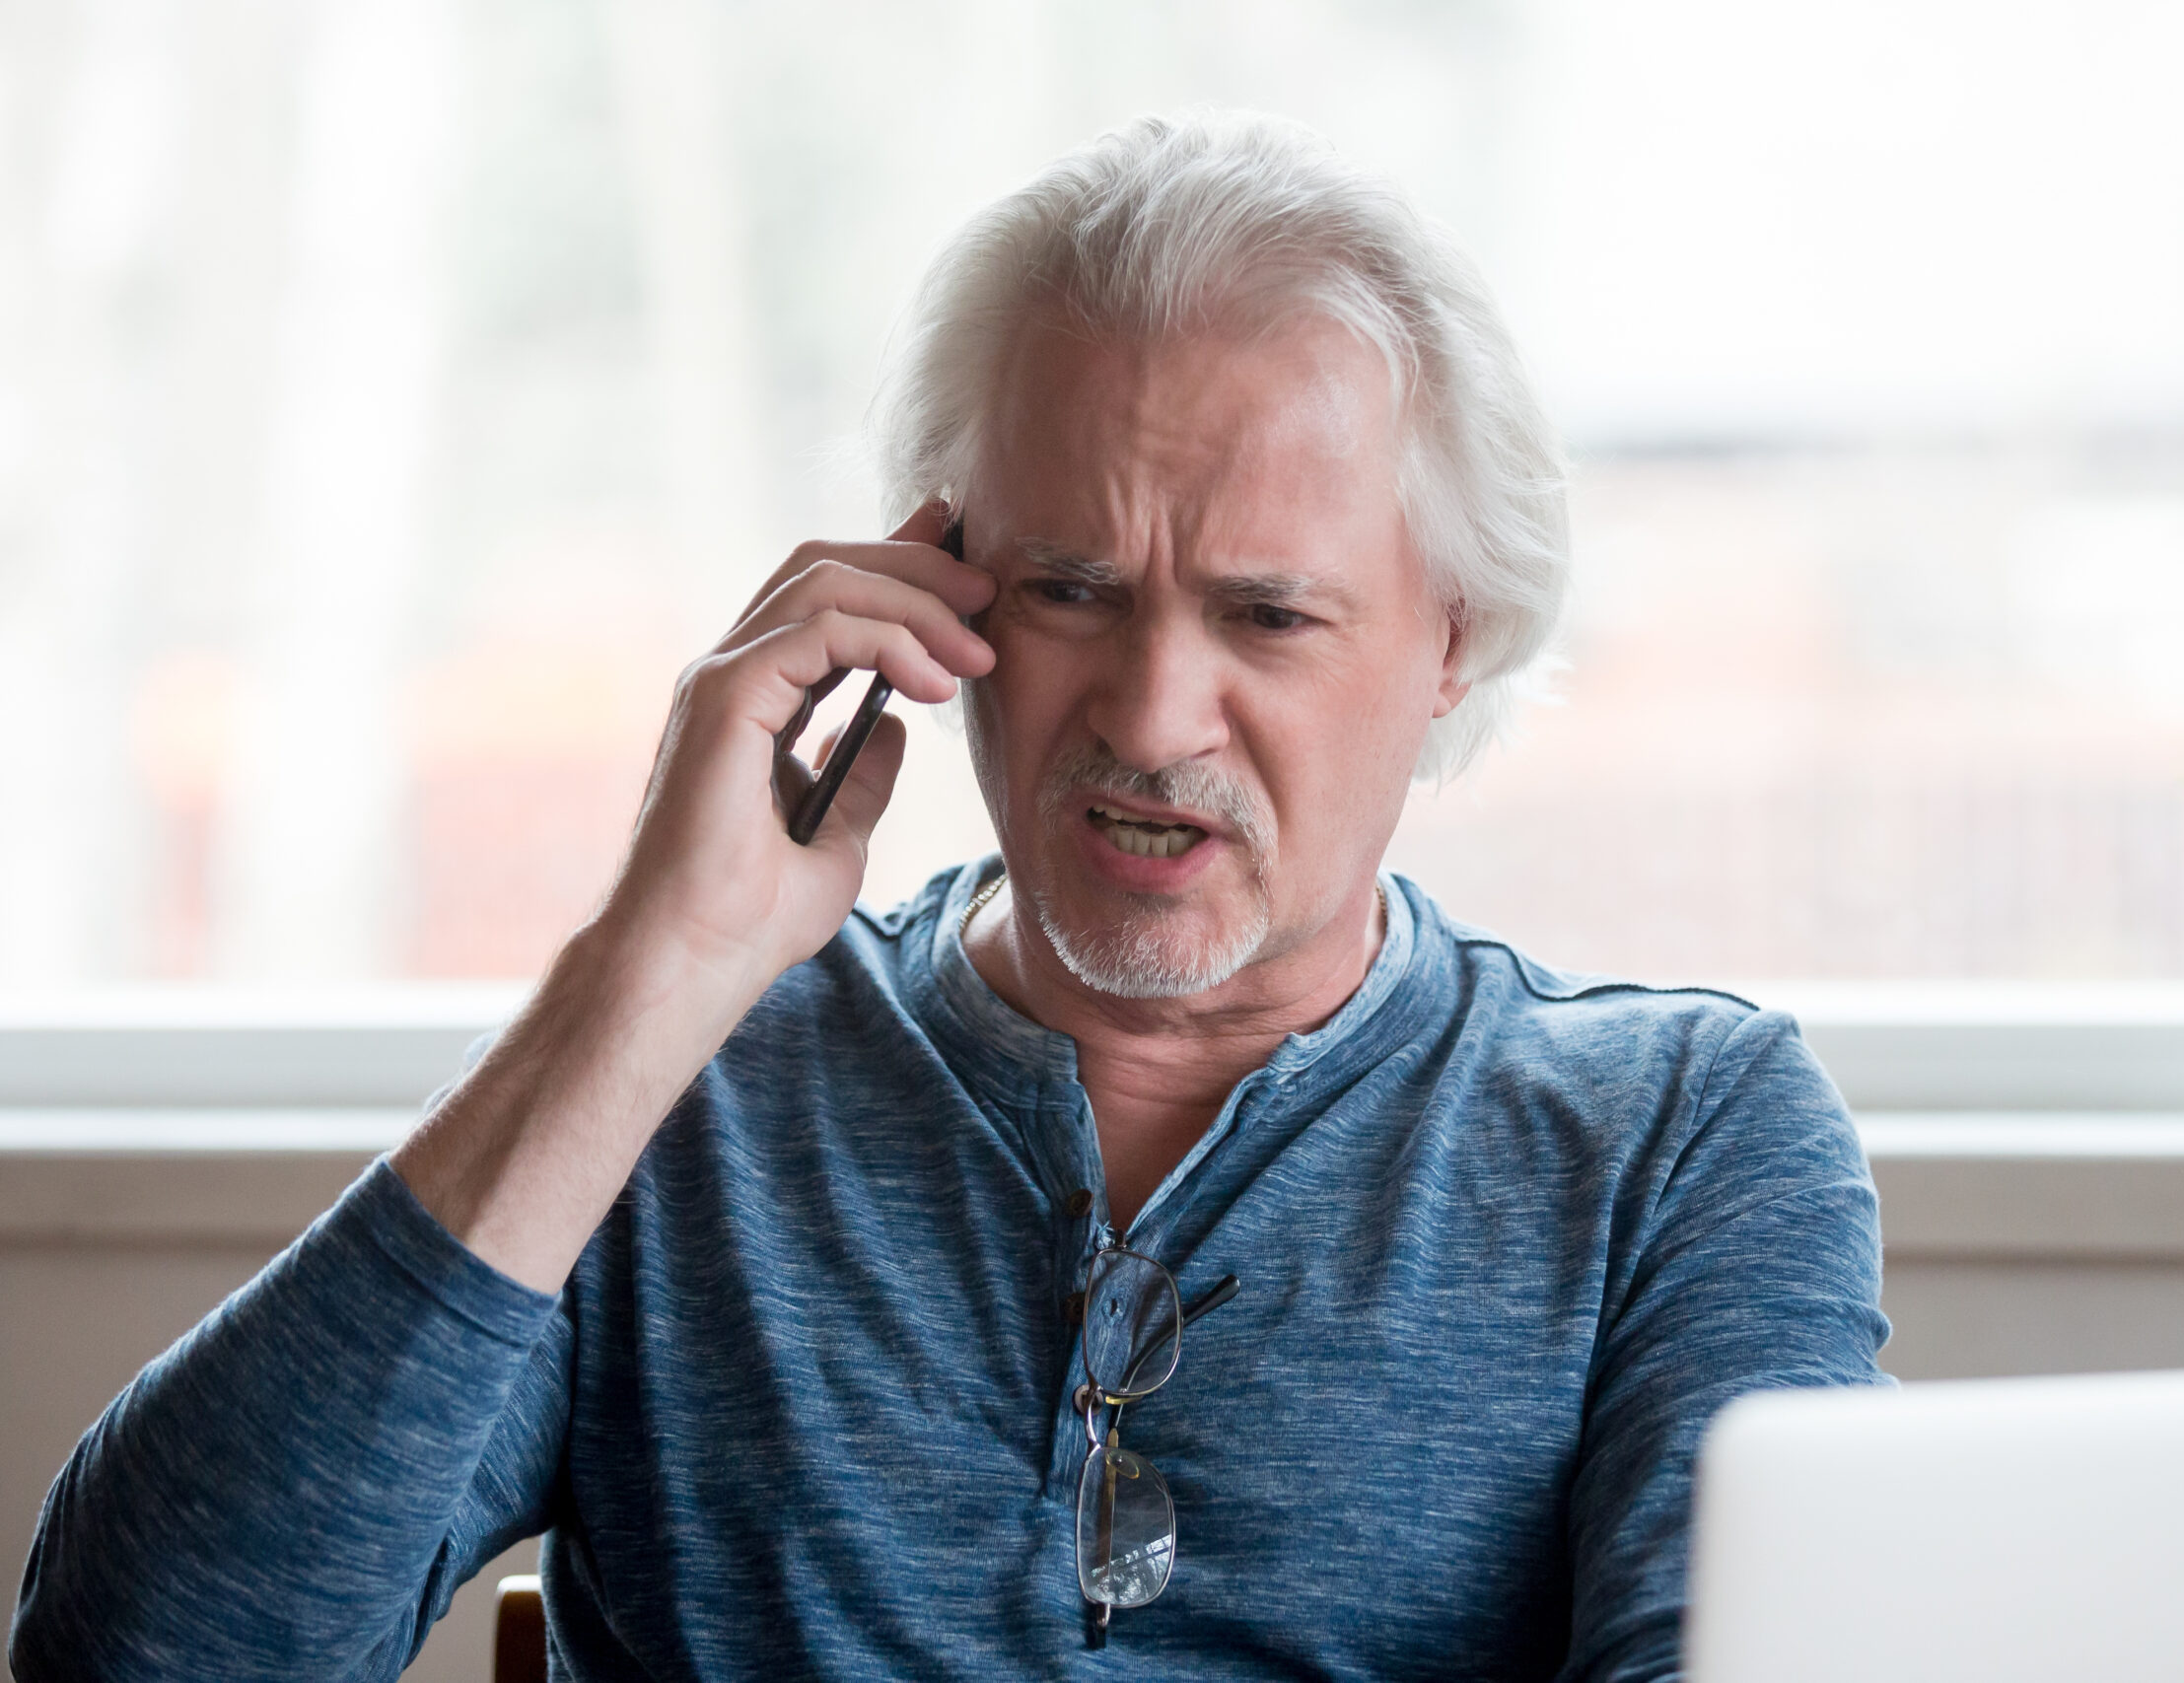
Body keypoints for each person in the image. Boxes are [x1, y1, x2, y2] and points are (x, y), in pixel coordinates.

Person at [10, 111, 1888, 1682]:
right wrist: (651, 970)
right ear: (935, 588)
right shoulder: (680, 1085)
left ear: (1455, 637)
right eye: (1070, 589)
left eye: (1265, 615)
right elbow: (137, 1655)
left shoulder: (1679, 1137)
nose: (1151, 715)